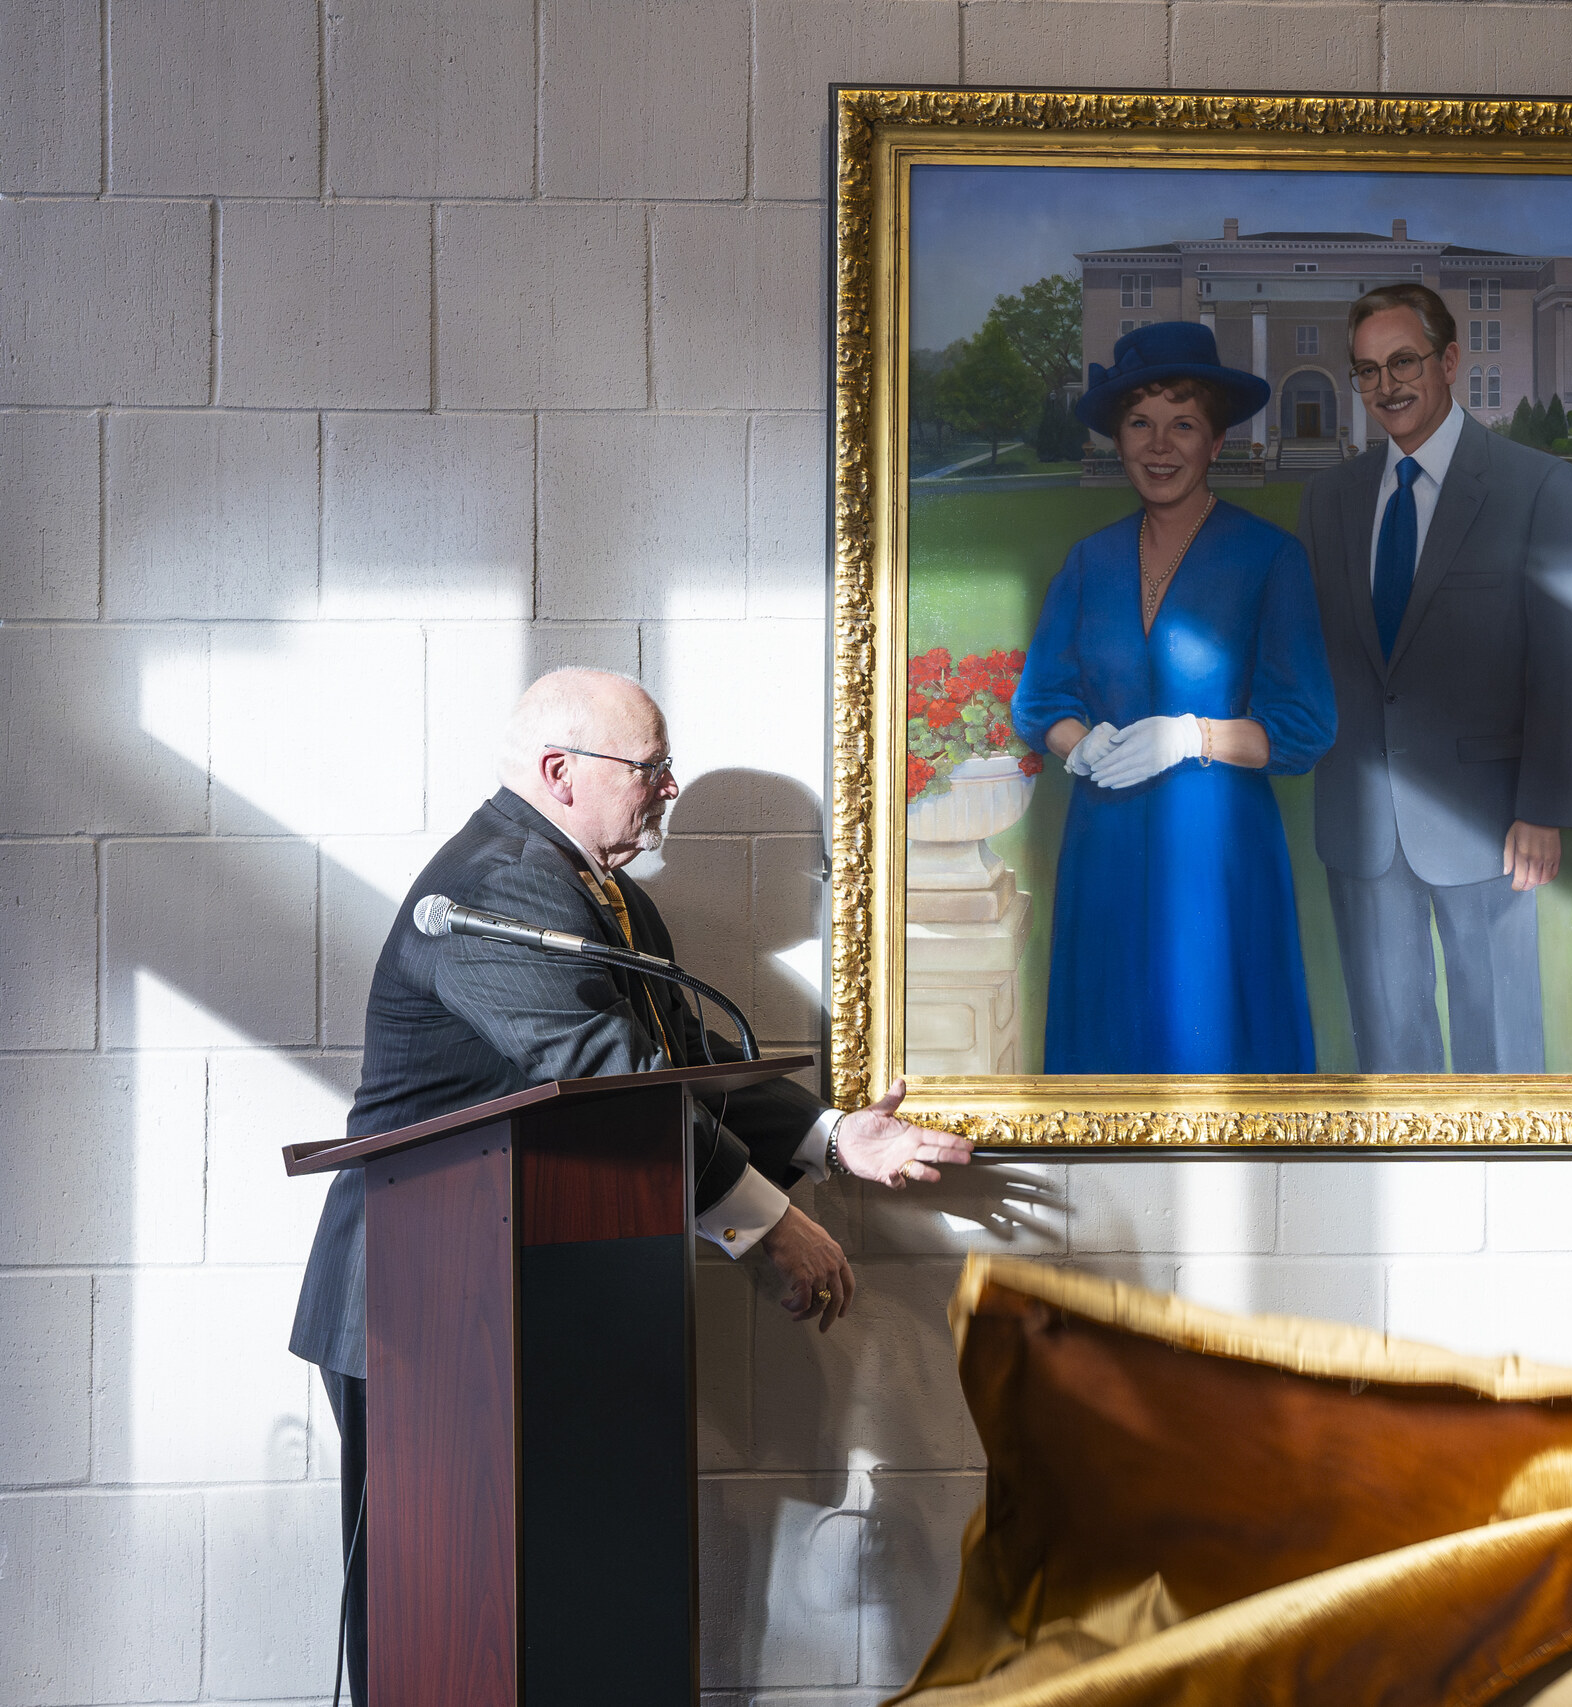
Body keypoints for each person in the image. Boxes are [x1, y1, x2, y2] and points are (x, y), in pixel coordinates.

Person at [288, 667, 971, 1704]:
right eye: (649, 768)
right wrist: (769, 1221)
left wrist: (833, 1138)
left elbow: (677, 1053)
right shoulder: (496, 890)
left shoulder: (610, 897)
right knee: (447, 1633)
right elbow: (615, 1076)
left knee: (573, 1619)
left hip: (552, 1306)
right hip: (427, 1316)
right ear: (561, 773)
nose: (667, 788)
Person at [1010, 322, 1337, 1072]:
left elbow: (1306, 724)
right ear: (1117, 441)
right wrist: (1077, 741)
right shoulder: (1089, 563)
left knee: (1216, 1043)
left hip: (1218, 850)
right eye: (1140, 424)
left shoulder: (1270, 558)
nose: (1160, 447)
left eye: (1182, 424)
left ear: (1217, 442)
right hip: (1107, 848)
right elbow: (1040, 699)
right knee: (1107, 1052)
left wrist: (1193, 736)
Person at [1293, 282, 1572, 1073]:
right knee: (1390, 1052)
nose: (1386, 385)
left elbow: (1566, 660)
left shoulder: (1538, 487)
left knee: (1498, 1045)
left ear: (1450, 360)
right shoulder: (1329, 498)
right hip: (1361, 821)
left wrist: (1542, 807)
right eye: (1366, 371)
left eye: (1404, 361)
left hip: (1492, 823)